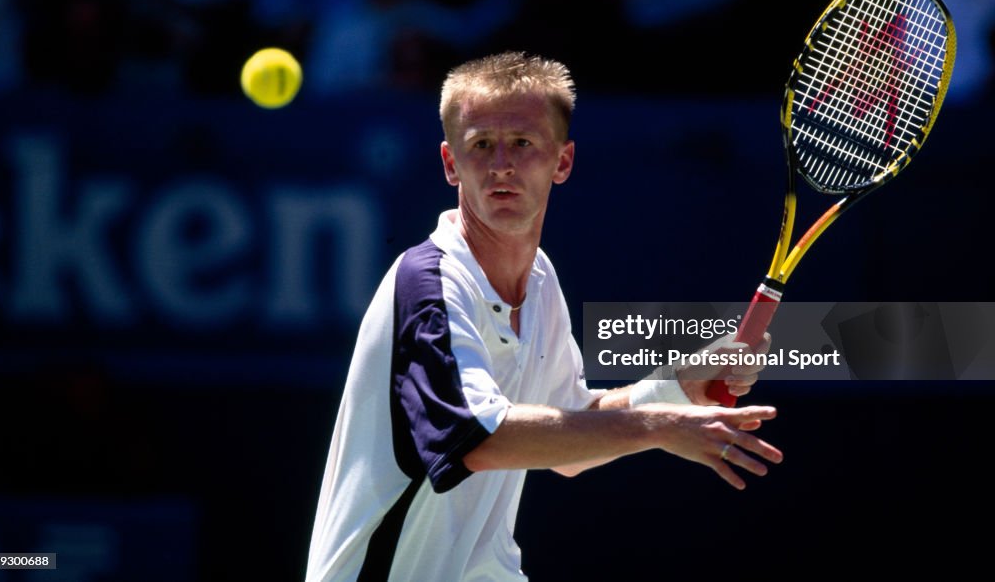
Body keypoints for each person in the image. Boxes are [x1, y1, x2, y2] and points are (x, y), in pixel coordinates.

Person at [303, 51, 783, 581]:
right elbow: (483, 440)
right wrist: (657, 426)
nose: (502, 163)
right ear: (450, 163)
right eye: (481, 145)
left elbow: (569, 431)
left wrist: (678, 384)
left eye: (524, 144)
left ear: (563, 161)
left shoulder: (540, 279)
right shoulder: (428, 285)